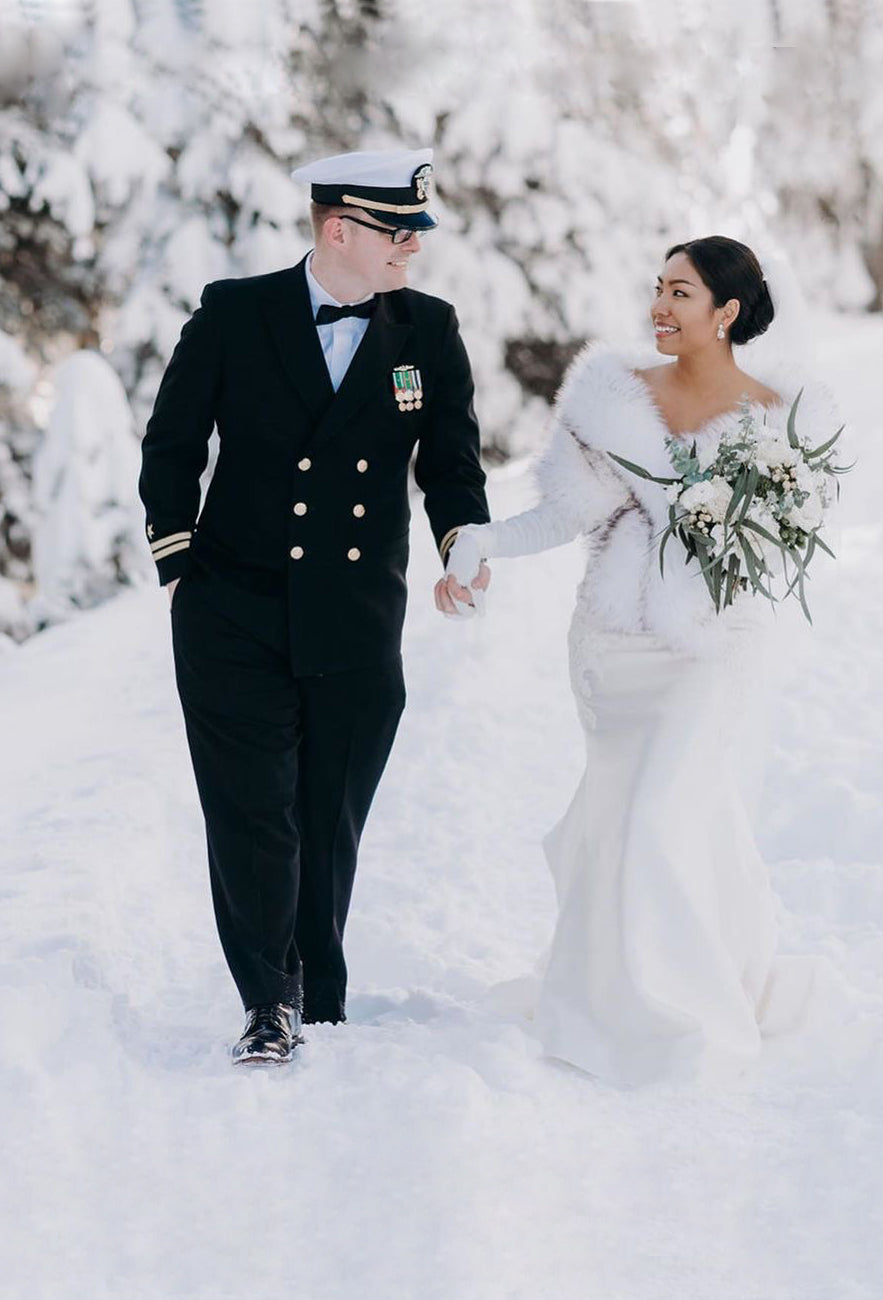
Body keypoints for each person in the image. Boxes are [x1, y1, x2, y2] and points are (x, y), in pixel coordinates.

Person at [444, 237, 840, 1085]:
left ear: (726, 312)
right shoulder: (611, 398)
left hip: (710, 646)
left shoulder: (778, 418)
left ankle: (680, 1006)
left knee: (667, 806)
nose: (658, 306)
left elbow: (783, 545)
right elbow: (563, 516)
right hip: (614, 644)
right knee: (639, 813)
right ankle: (614, 987)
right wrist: (478, 543)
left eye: (680, 292)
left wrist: (727, 533)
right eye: (656, 288)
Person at [139, 148, 490, 1065]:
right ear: (340, 227)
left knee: (326, 818)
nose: (412, 247)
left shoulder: (429, 329)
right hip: (232, 612)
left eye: (417, 230)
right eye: (397, 230)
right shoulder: (233, 314)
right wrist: (177, 560)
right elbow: (171, 443)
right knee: (253, 814)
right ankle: (268, 999)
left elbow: (450, 463)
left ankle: (316, 991)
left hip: (357, 616)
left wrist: (464, 543)